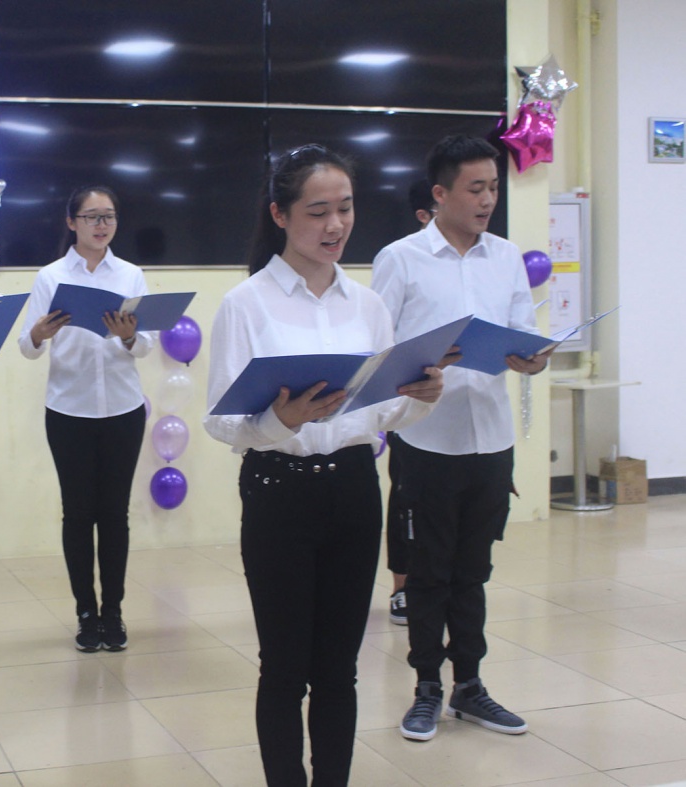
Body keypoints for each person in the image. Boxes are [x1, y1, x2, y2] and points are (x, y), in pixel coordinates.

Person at [203, 145, 444, 786]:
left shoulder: (366, 306)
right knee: (284, 667)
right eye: (317, 212)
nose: (336, 225)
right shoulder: (246, 304)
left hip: (354, 489)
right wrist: (280, 423)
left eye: (345, 208)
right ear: (280, 214)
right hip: (279, 492)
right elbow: (220, 422)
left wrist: (420, 397)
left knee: (340, 669)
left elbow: (383, 411)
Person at [371, 135, 550, 743]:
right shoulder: (401, 259)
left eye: (494, 188)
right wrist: (419, 366)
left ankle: (469, 686)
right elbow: (377, 348)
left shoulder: (506, 257)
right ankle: (426, 687)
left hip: (491, 438)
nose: (488, 200)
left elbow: (522, 333)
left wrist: (533, 359)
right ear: (441, 194)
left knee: (473, 570)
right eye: (476, 189)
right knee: (428, 571)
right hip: (426, 438)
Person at [18, 185, 152, 653]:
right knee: (77, 514)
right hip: (68, 410)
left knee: (114, 514)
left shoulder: (131, 274)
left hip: (123, 409)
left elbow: (147, 345)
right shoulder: (51, 276)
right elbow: (27, 347)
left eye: (109, 216)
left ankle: (112, 612)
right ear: (71, 222)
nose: (101, 225)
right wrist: (39, 333)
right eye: (92, 216)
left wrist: (130, 336)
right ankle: (84, 612)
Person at [386, 178, 439, 626]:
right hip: (410, 407)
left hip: (466, 412)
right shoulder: (401, 257)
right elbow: (381, 335)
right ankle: (401, 588)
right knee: (405, 502)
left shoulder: (494, 257)